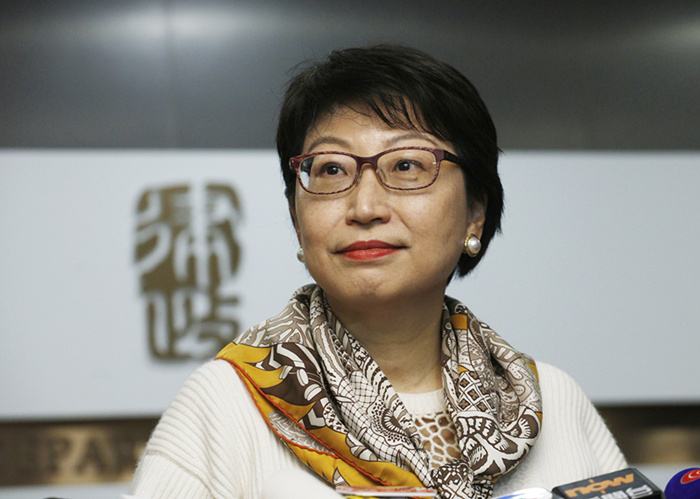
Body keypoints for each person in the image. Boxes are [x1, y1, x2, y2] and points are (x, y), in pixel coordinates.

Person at [128, 45, 626, 499]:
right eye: (331, 169)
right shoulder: (225, 403)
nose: (365, 207)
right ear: (297, 218)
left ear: (475, 213)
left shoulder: (550, 399)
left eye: (407, 165)